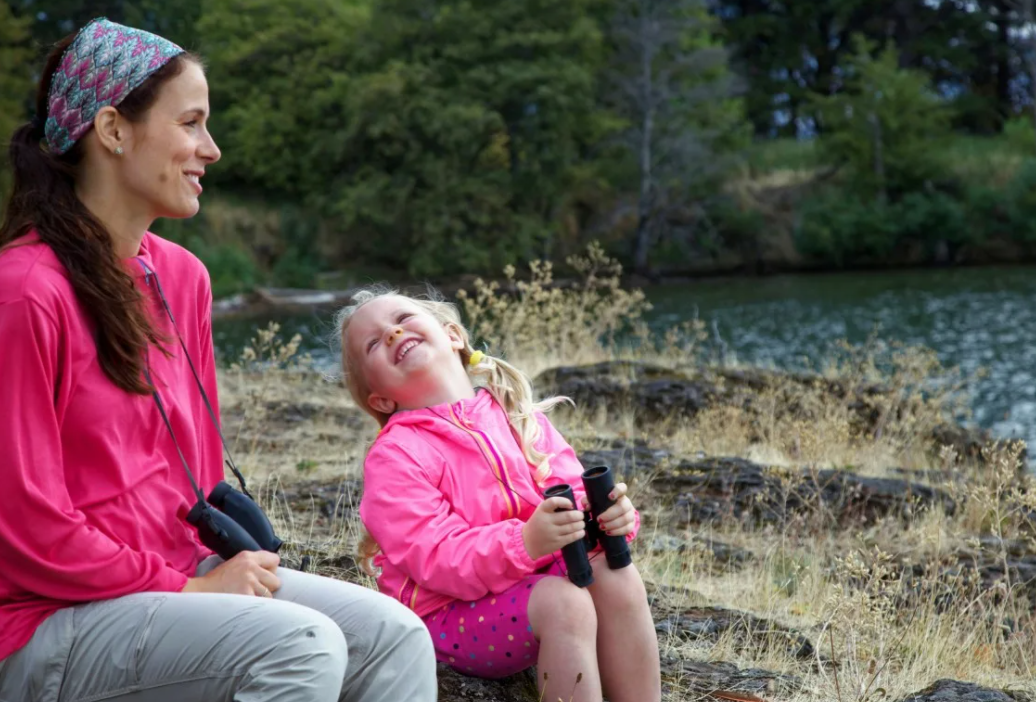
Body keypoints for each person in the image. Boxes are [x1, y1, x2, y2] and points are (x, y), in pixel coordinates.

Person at [0, 18, 435, 702]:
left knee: (394, 634)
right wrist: (189, 590)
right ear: (112, 130)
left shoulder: (182, 279)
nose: (212, 149)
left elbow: (196, 479)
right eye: (191, 123)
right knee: (300, 646)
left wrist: (206, 575)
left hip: (176, 580)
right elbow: (24, 527)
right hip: (48, 619)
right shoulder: (26, 292)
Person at [337, 287, 662, 702]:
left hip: (527, 583)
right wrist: (524, 542)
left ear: (453, 335)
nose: (393, 333)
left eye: (402, 319)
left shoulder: (514, 412)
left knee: (617, 575)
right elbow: (436, 556)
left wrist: (608, 519)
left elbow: (573, 492)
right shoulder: (395, 456)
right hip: (447, 614)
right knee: (564, 604)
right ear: (381, 398)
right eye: (373, 343)